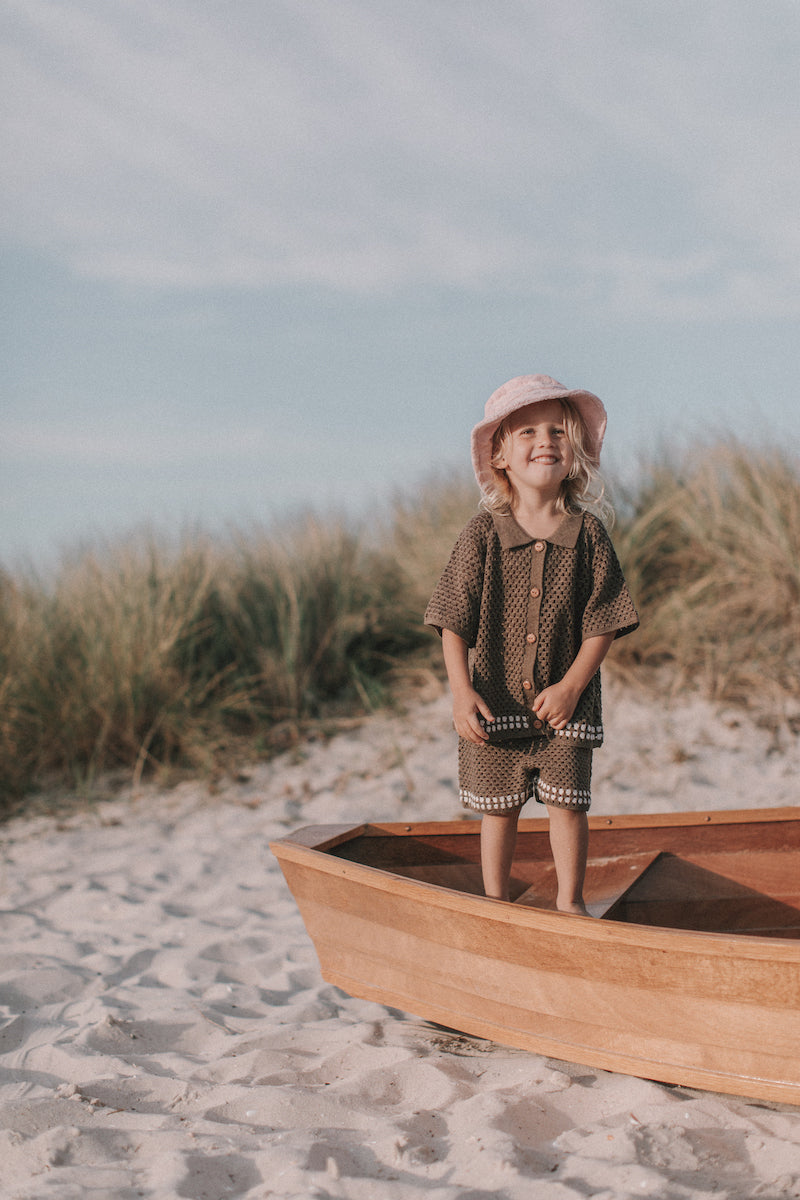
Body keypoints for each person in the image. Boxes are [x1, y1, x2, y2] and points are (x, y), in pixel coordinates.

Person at [425, 375, 638, 913]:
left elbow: (604, 621)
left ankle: (570, 903)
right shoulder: (482, 534)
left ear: (575, 451)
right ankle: (494, 904)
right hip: (494, 704)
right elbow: (454, 618)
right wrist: (459, 690)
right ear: (500, 455)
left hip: (564, 710)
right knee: (498, 809)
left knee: (568, 806)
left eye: (557, 431)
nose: (545, 440)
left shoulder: (589, 535)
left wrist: (570, 687)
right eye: (527, 432)